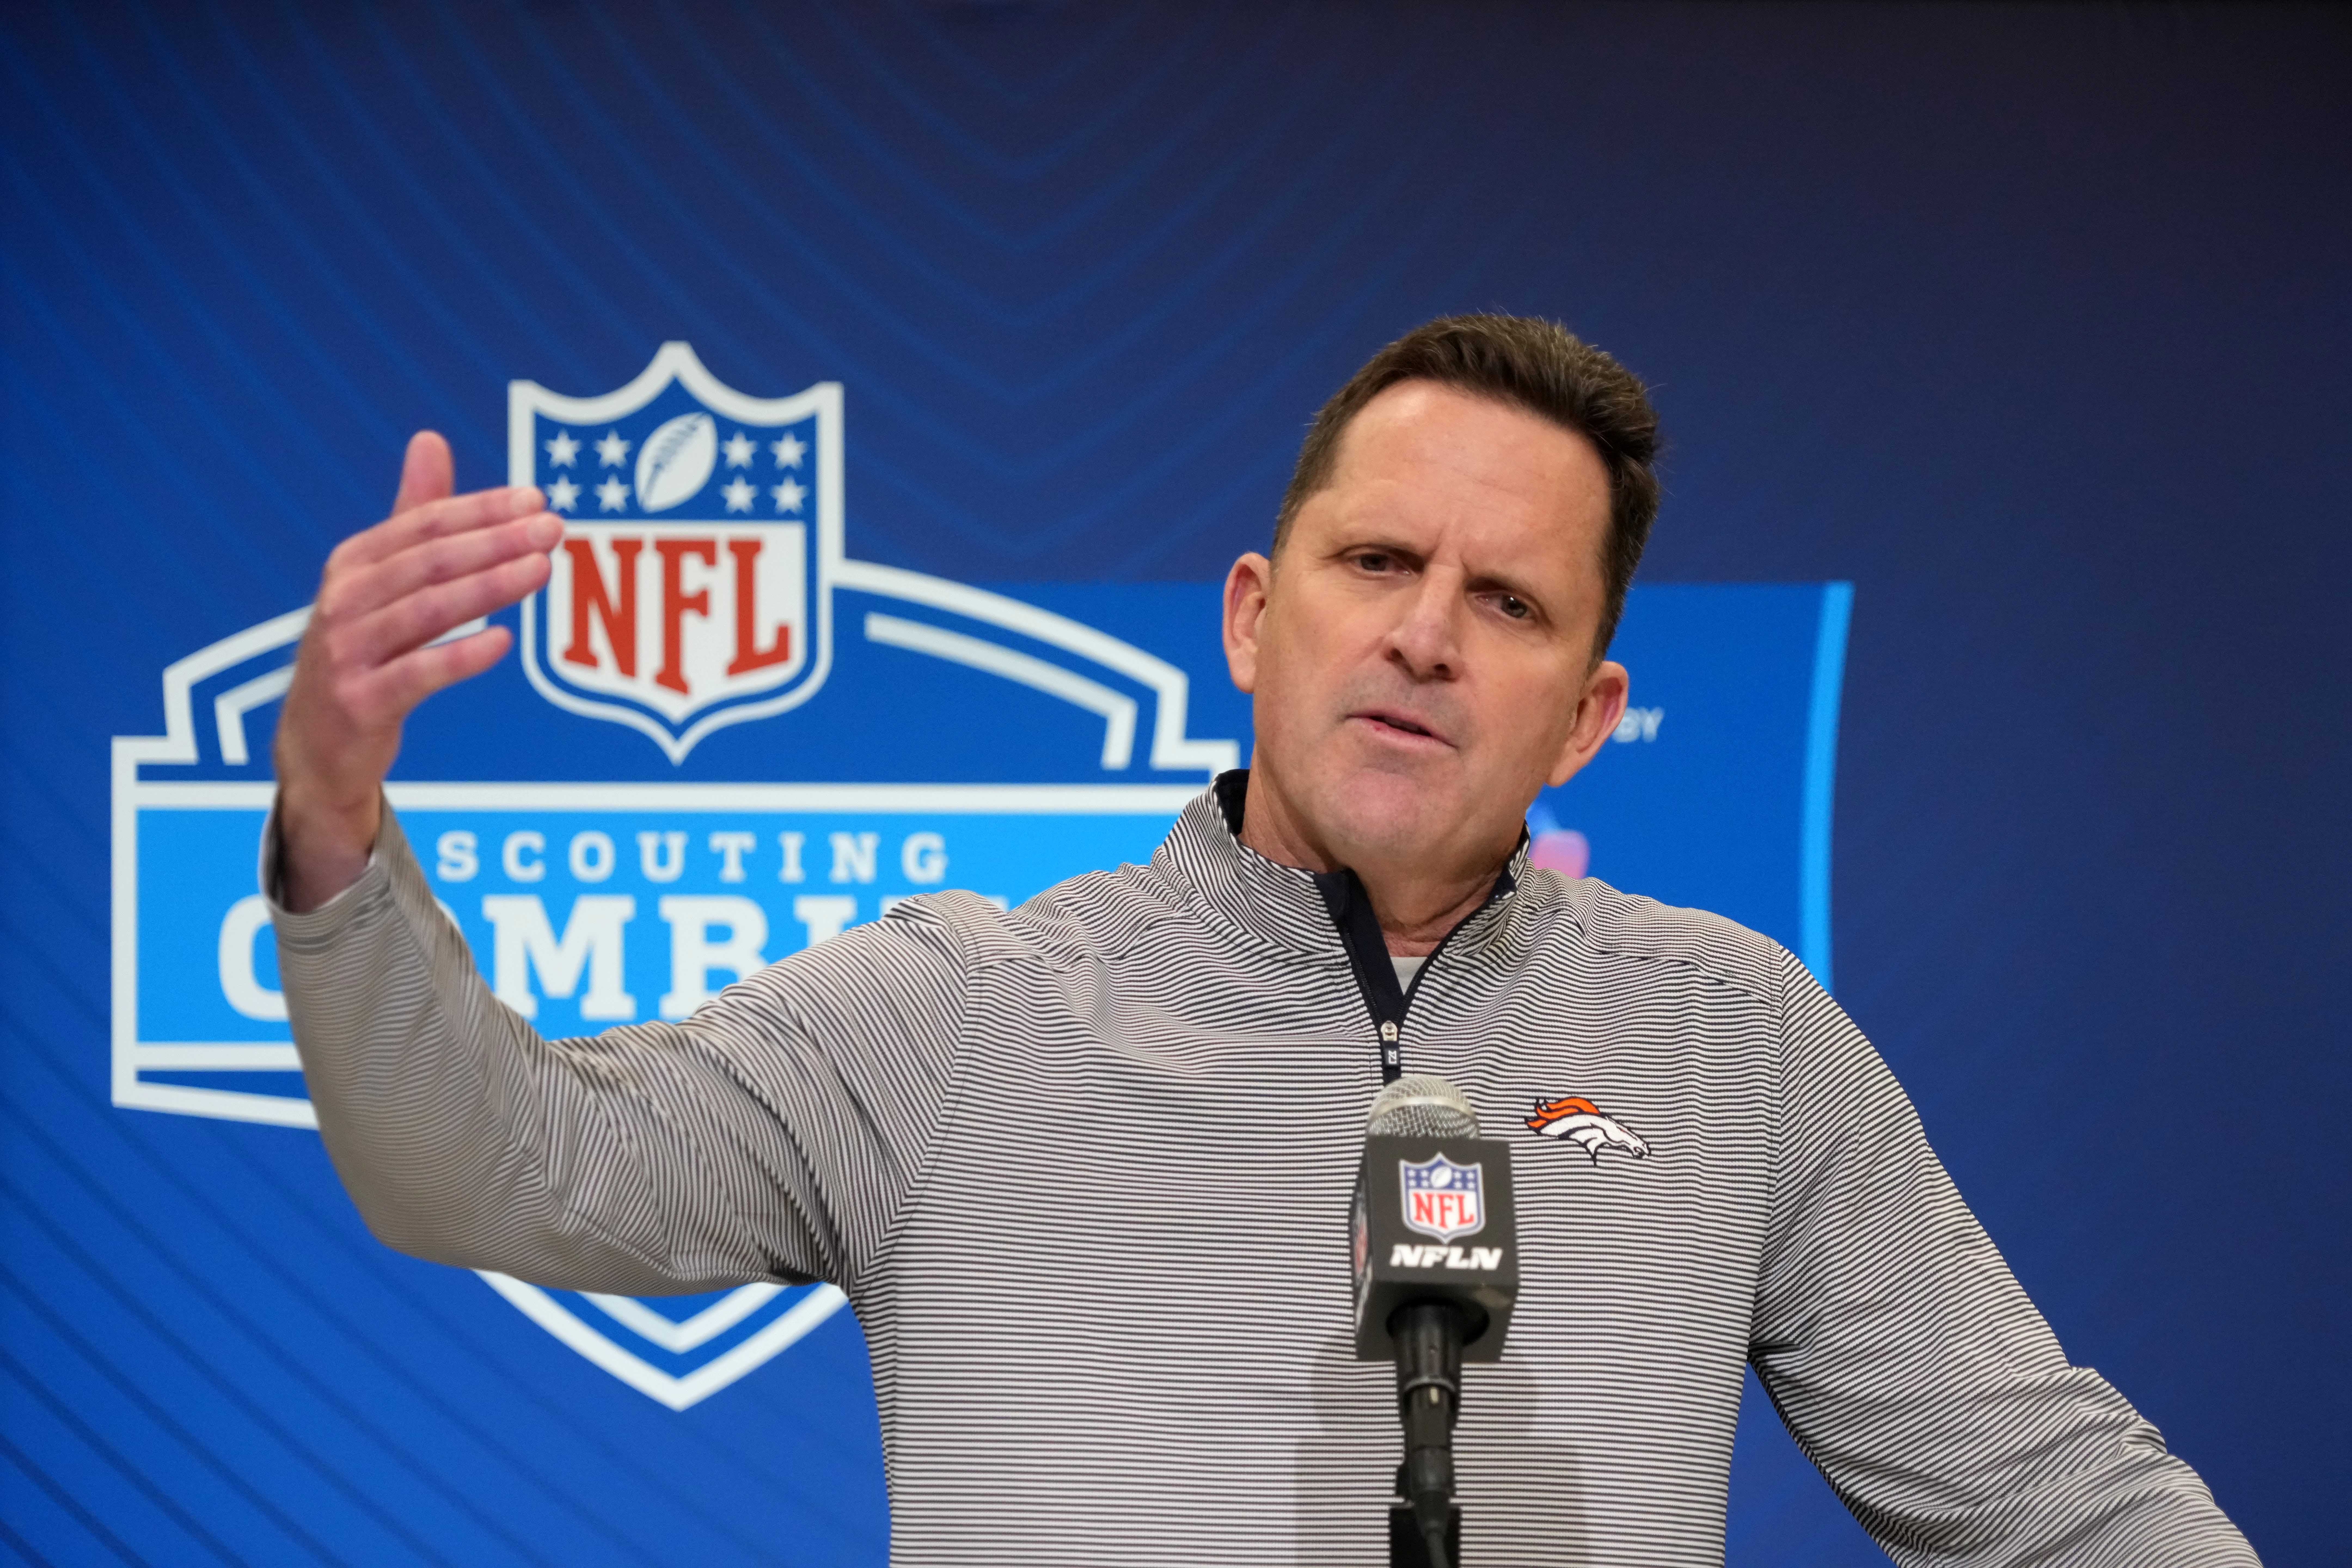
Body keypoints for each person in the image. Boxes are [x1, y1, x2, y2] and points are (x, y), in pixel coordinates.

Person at [267, 316, 2255, 1566]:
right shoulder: (952, 1013)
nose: (1420, 632)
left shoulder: (1737, 1041)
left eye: (1506, 602)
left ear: (1587, 713)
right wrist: (338, 827)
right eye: (1377, 563)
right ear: (1252, 617)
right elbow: (500, 1167)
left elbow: (2054, 1503)